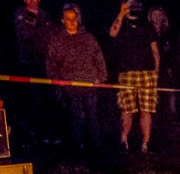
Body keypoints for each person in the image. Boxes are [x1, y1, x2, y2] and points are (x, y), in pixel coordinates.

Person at [46, 4, 106, 153]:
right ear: (62, 20)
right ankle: (77, 147)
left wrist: (101, 77)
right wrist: (57, 82)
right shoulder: (57, 40)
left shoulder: (88, 38)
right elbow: (51, 63)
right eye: (68, 19)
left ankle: (96, 147)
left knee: (92, 116)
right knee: (75, 115)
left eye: (74, 19)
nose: (72, 22)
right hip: (70, 84)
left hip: (89, 83)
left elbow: (99, 58)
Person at [109, 0, 160, 153]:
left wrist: (156, 72)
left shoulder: (146, 25)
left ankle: (146, 143)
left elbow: (155, 50)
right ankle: (123, 140)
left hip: (147, 73)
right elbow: (112, 33)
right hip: (127, 73)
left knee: (146, 109)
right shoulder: (121, 24)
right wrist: (121, 12)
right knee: (127, 109)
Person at [12, 0, 55, 144]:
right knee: (33, 99)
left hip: (46, 63)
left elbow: (51, 37)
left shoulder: (46, 15)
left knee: (48, 98)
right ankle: (33, 134)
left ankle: (47, 133)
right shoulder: (20, 14)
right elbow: (25, 35)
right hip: (29, 63)